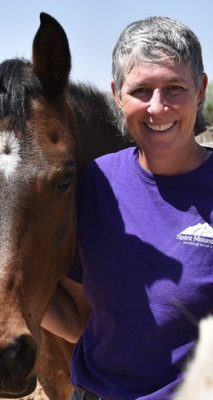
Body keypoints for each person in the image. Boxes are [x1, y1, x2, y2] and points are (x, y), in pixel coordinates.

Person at [41, 16, 213, 400]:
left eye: (174, 88)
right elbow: (85, 321)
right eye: (141, 91)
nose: (158, 107)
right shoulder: (97, 182)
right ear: (117, 95)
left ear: (200, 90)